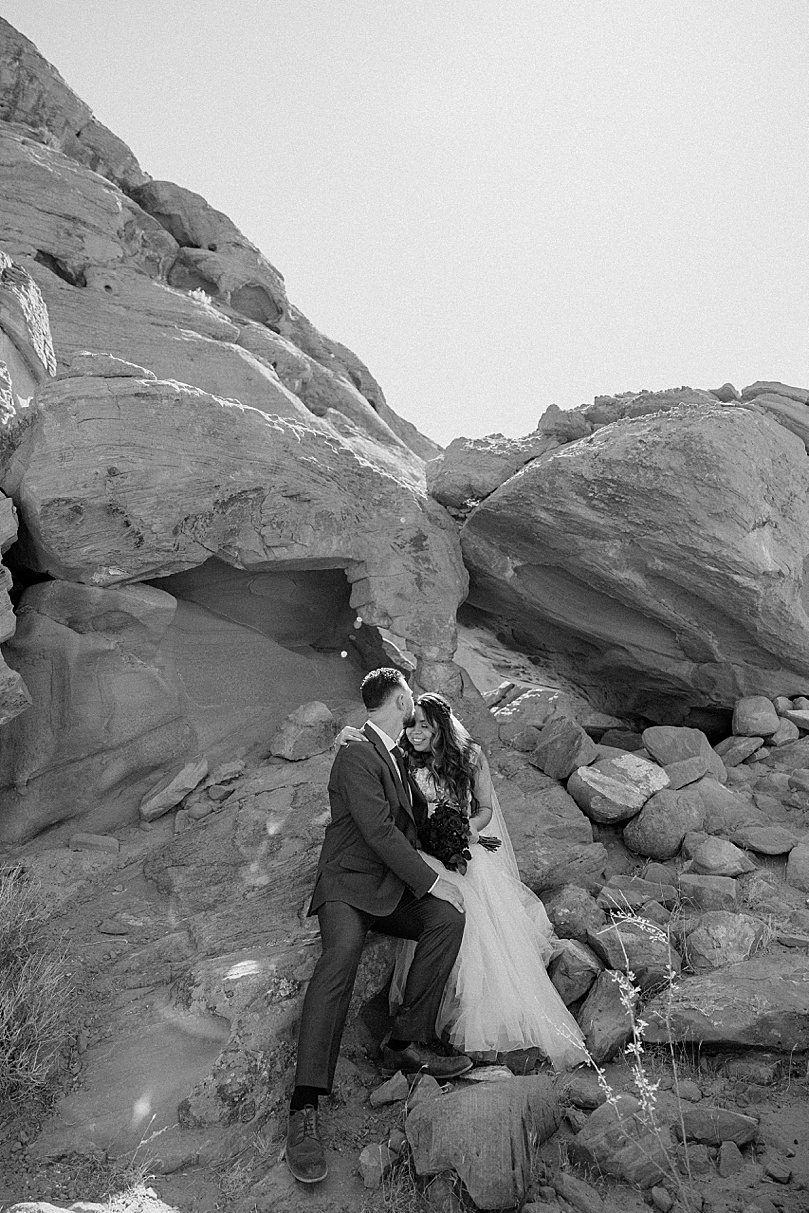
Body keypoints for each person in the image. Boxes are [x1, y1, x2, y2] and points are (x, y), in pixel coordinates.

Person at [285, 668, 473, 1186]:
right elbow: (378, 831)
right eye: (410, 693)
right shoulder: (355, 754)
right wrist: (431, 881)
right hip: (347, 885)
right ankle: (304, 1106)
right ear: (398, 698)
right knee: (340, 957)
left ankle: (405, 1043)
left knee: (447, 919)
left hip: (386, 890)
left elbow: (415, 811)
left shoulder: (393, 750)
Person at [340, 692, 588, 1071]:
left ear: (442, 726)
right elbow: (376, 767)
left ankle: (479, 1025)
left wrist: (465, 829)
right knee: (446, 915)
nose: (416, 731)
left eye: (426, 725)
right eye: (412, 724)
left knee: (480, 926)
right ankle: (427, 1031)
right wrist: (341, 737)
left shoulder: (470, 756)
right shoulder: (401, 757)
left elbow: (486, 807)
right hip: (422, 855)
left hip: (465, 851)